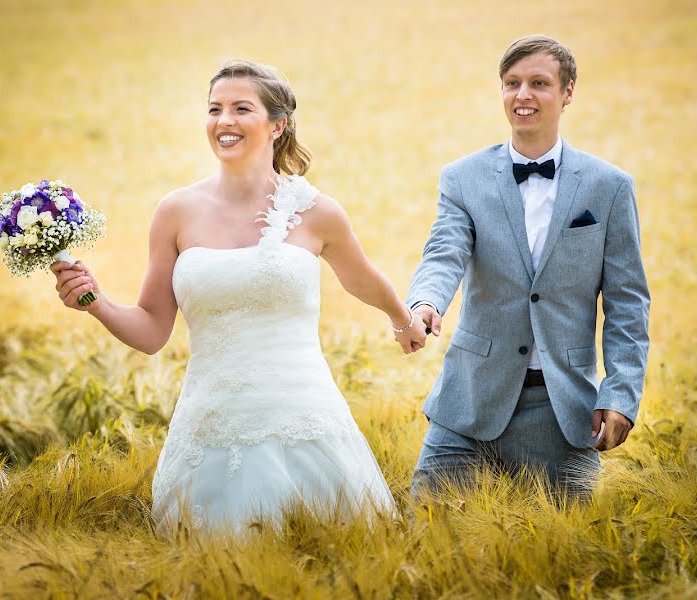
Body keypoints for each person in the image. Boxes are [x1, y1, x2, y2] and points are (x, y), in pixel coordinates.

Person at [51, 60, 426, 534]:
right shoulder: (176, 212)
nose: (223, 121)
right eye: (214, 109)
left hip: (305, 419)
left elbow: (363, 279)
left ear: (277, 125)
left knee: (330, 552)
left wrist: (402, 319)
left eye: (240, 109)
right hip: (209, 427)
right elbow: (150, 332)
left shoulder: (317, 212)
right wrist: (94, 301)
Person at [407, 35, 650, 496]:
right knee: (427, 535)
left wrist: (620, 393)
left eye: (538, 83)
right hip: (470, 401)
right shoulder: (463, 178)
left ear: (568, 92)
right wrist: (424, 303)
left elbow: (628, 305)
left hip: (563, 410)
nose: (522, 96)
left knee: (568, 558)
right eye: (511, 83)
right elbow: (444, 252)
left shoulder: (610, 187)